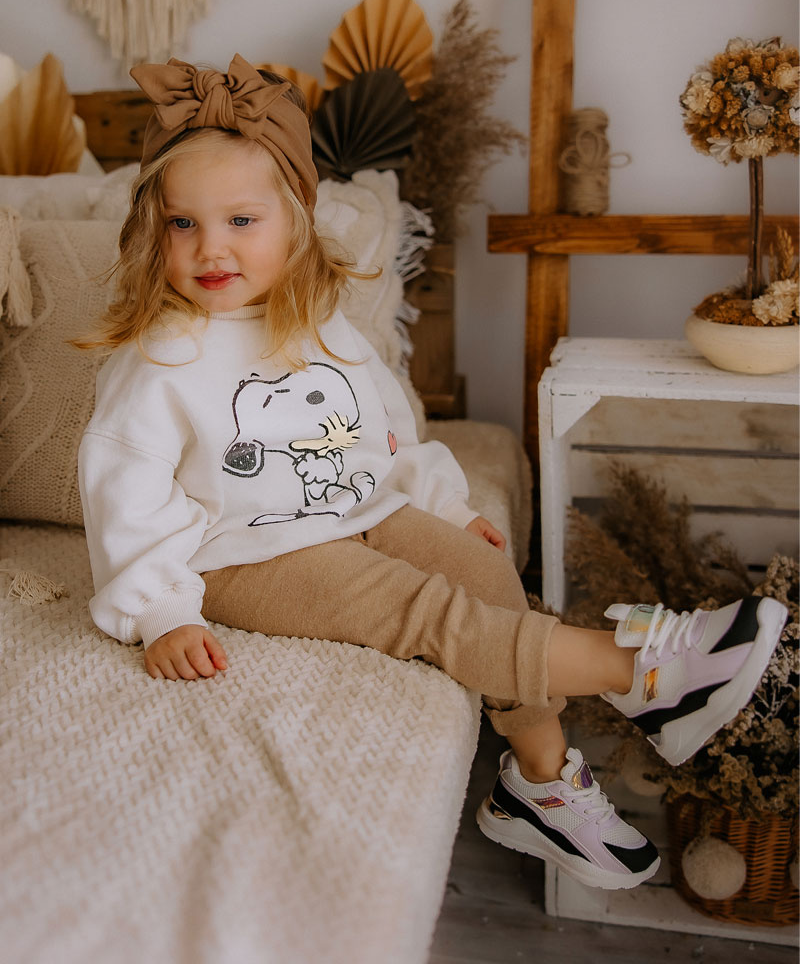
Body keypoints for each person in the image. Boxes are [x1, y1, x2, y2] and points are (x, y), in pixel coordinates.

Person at [78, 54, 787, 894]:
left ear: (295, 219)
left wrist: (443, 508)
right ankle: (643, 671)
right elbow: (124, 494)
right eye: (182, 223)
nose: (211, 247)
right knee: (423, 610)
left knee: (484, 573)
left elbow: (383, 431)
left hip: (359, 511)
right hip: (247, 554)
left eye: (240, 219)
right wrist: (161, 611)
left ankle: (540, 786)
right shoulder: (161, 357)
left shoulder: (321, 323)